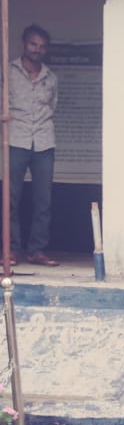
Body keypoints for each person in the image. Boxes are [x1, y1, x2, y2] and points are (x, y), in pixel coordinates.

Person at [7, 24, 59, 267]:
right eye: (33, 44)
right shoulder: (8, 72)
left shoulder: (51, 77)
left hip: (44, 142)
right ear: (24, 44)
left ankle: (37, 250)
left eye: (42, 46)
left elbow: (53, 107)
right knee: (10, 198)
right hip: (16, 139)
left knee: (43, 200)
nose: (37, 49)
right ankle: (11, 250)